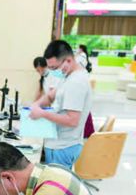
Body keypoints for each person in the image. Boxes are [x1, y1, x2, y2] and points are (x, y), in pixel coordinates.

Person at [29, 40, 92, 169]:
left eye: (54, 68)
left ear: (68, 61)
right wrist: (37, 104)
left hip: (63, 147)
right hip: (57, 144)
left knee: (57, 182)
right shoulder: (67, 76)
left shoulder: (76, 82)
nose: (51, 72)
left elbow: (72, 120)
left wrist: (42, 113)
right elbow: (51, 95)